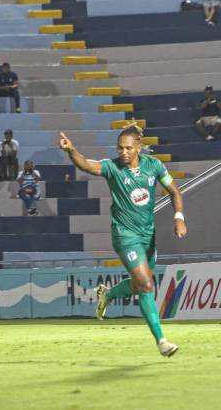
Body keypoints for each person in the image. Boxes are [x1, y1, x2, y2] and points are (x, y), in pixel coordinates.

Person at [59, 126, 187, 357]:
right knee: (146, 284)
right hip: (125, 235)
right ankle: (161, 341)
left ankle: (108, 295)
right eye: (120, 148)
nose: (123, 152)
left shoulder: (154, 166)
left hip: (148, 235)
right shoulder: (113, 167)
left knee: (140, 285)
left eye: (128, 148)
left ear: (139, 147)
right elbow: (86, 165)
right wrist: (72, 151)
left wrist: (179, 218)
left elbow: (175, 192)